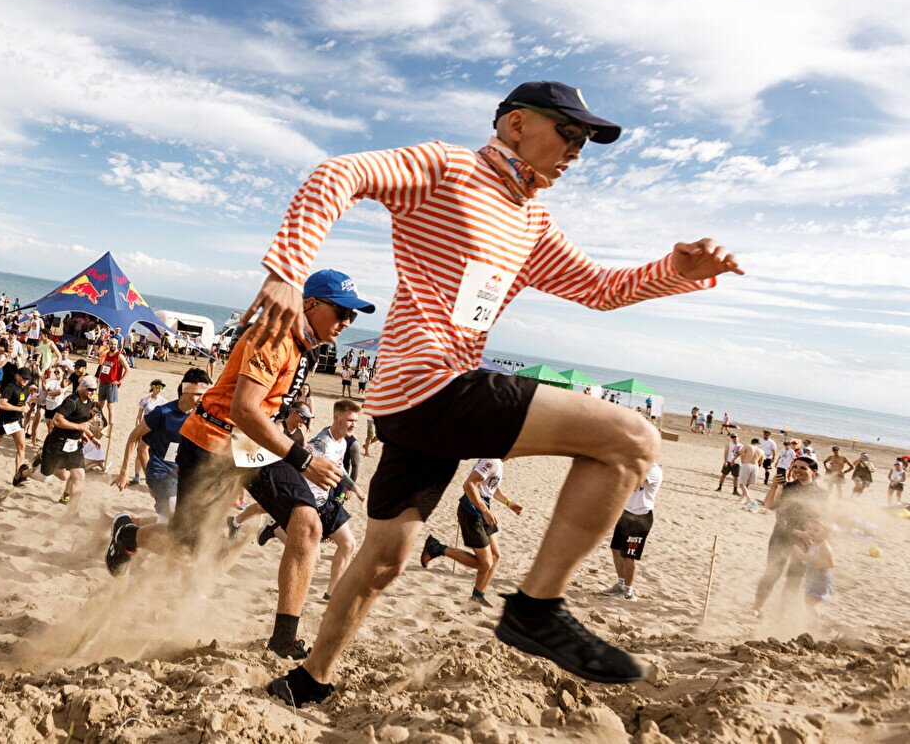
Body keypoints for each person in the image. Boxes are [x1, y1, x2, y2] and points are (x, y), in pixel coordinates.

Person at [241, 80, 741, 705]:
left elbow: (599, 288)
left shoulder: (532, 221)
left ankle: (307, 680)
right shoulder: (445, 167)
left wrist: (674, 272)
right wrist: (287, 270)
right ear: (513, 124)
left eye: (586, 140)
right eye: (568, 132)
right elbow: (335, 174)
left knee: (384, 561)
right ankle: (536, 608)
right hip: (432, 385)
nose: (577, 150)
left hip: (411, 406)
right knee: (633, 439)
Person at [104, 269, 370, 662]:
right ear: (312, 304)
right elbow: (244, 409)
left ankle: (283, 640)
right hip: (211, 440)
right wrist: (302, 457)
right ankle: (128, 536)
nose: (347, 322)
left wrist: (291, 435)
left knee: (307, 523)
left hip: (251, 444)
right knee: (188, 547)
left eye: (354, 316)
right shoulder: (274, 335)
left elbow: (265, 409)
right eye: (342, 312)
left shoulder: (308, 343)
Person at [248, 399, 365, 604]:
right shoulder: (319, 444)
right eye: (350, 421)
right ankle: (275, 528)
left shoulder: (343, 441)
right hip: (309, 502)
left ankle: (331, 594)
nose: (353, 425)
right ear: (336, 418)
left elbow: (339, 467)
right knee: (312, 556)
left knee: (349, 544)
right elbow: (298, 465)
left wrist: (354, 487)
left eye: (356, 421)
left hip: (327, 502)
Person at [420, 458, 523, 608]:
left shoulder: (498, 462)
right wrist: (485, 511)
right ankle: (436, 548)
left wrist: (509, 503)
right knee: (485, 563)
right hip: (472, 511)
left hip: (482, 509)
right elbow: (469, 485)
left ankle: (478, 595)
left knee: (495, 556)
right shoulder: (491, 460)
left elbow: (491, 487)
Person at [114, 369, 213, 523]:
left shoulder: (199, 417)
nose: (202, 399)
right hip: (160, 474)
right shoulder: (163, 412)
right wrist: (125, 472)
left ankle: (129, 523)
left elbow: (144, 445)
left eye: (204, 395)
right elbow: (135, 437)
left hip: (179, 476)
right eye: (198, 394)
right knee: (175, 518)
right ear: (185, 390)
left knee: (170, 522)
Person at [752, 456, 828, 618]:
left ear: (813, 472)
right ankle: (757, 607)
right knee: (772, 572)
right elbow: (769, 505)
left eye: (803, 468)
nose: (798, 471)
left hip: (804, 540)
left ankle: (781, 611)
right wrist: (774, 487)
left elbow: (823, 519)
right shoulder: (787, 487)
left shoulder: (820, 493)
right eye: (795, 467)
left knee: (794, 577)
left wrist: (808, 534)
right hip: (780, 535)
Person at [600, 463, 662, 600]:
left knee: (629, 556)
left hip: (640, 518)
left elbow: (633, 483)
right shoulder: (636, 466)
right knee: (615, 550)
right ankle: (621, 584)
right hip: (626, 513)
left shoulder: (653, 470)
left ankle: (628, 591)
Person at [40, 375, 98, 506]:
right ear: (82, 388)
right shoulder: (71, 401)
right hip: (57, 442)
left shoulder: (89, 402)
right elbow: (57, 420)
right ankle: (26, 471)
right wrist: (79, 427)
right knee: (57, 475)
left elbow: (81, 422)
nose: (93, 392)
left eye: (95, 390)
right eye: (90, 390)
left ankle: (72, 512)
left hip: (74, 444)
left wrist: (88, 436)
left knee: (79, 475)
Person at [790, 520, 835, 627]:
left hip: (821, 580)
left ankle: (814, 626)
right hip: (813, 578)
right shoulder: (815, 543)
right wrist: (806, 538)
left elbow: (830, 564)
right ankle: (812, 624)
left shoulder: (825, 547)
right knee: (808, 602)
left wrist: (803, 556)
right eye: (810, 529)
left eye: (816, 530)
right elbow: (814, 550)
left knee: (810, 603)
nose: (811, 531)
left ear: (825, 534)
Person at [124, 380, 167, 486]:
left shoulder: (163, 401)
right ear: (153, 387)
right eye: (158, 387)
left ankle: (152, 477)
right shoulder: (145, 400)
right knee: (140, 453)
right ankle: (137, 476)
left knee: (154, 454)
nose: (159, 389)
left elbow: (164, 418)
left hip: (156, 430)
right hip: (144, 428)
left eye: (161, 387)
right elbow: (139, 416)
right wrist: (137, 429)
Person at [95, 341, 131, 443]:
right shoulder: (106, 354)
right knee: (100, 405)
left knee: (110, 406)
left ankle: (110, 428)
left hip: (111, 384)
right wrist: (99, 377)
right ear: (109, 344)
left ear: (117, 345)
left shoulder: (119, 356)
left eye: (114, 344)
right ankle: (100, 423)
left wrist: (119, 381)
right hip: (103, 382)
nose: (112, 345)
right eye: (111, 344)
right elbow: (103, 366)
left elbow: (128, 369)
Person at [736, 438, 765, 510]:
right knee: (748, 484)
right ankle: (742, 499)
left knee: (742, 484)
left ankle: (748, 498)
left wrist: (734, 460)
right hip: (755, 466)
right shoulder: (761, 450)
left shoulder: (747, 446)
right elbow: (761, 462)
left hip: (747, 464)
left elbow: (740, 453)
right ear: (758, 444)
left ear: (752, 442)